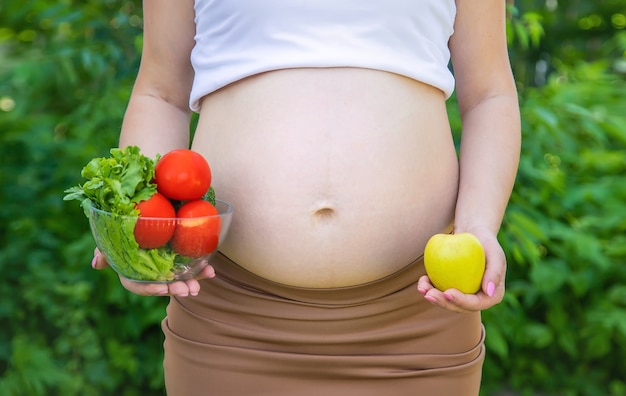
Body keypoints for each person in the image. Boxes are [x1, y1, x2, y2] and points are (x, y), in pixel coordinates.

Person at [91, 0, 521, 394]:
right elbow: (162, 94)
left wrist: (479, 225)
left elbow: (489, 94)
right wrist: (139, 227)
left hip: (418, 313)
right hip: (231, 316)